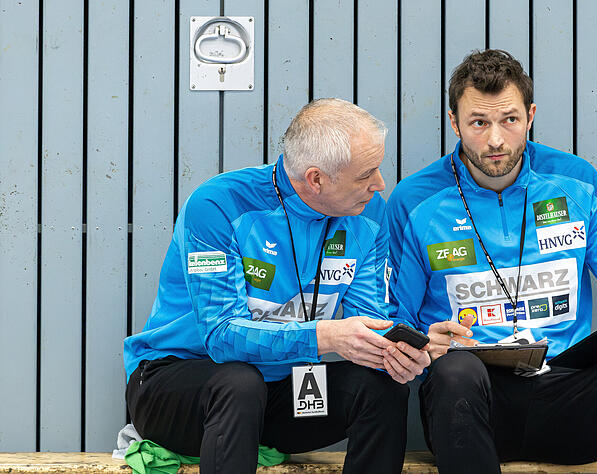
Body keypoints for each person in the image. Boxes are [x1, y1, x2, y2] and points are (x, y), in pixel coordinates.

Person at [386, 50, 597, 473]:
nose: (495, 140)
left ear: (529, 116)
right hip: (473, 404)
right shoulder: (415, 199)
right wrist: (424, 341)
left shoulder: (576, 180)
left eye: (509, 120)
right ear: (454, 123)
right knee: (454, 371)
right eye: (479, 122)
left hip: (570, 393)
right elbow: (391, 320)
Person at [123, 98, 430, 474]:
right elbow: (220, 336)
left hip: (281, 392)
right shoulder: (219, 205)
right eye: (367, 174)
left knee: (381, 388)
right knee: (239, 382)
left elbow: (368, 321)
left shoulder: (370, 213)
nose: (380, 185)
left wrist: (399, 351)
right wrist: (327, 337)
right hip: (176, 386)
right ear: (316, 179)